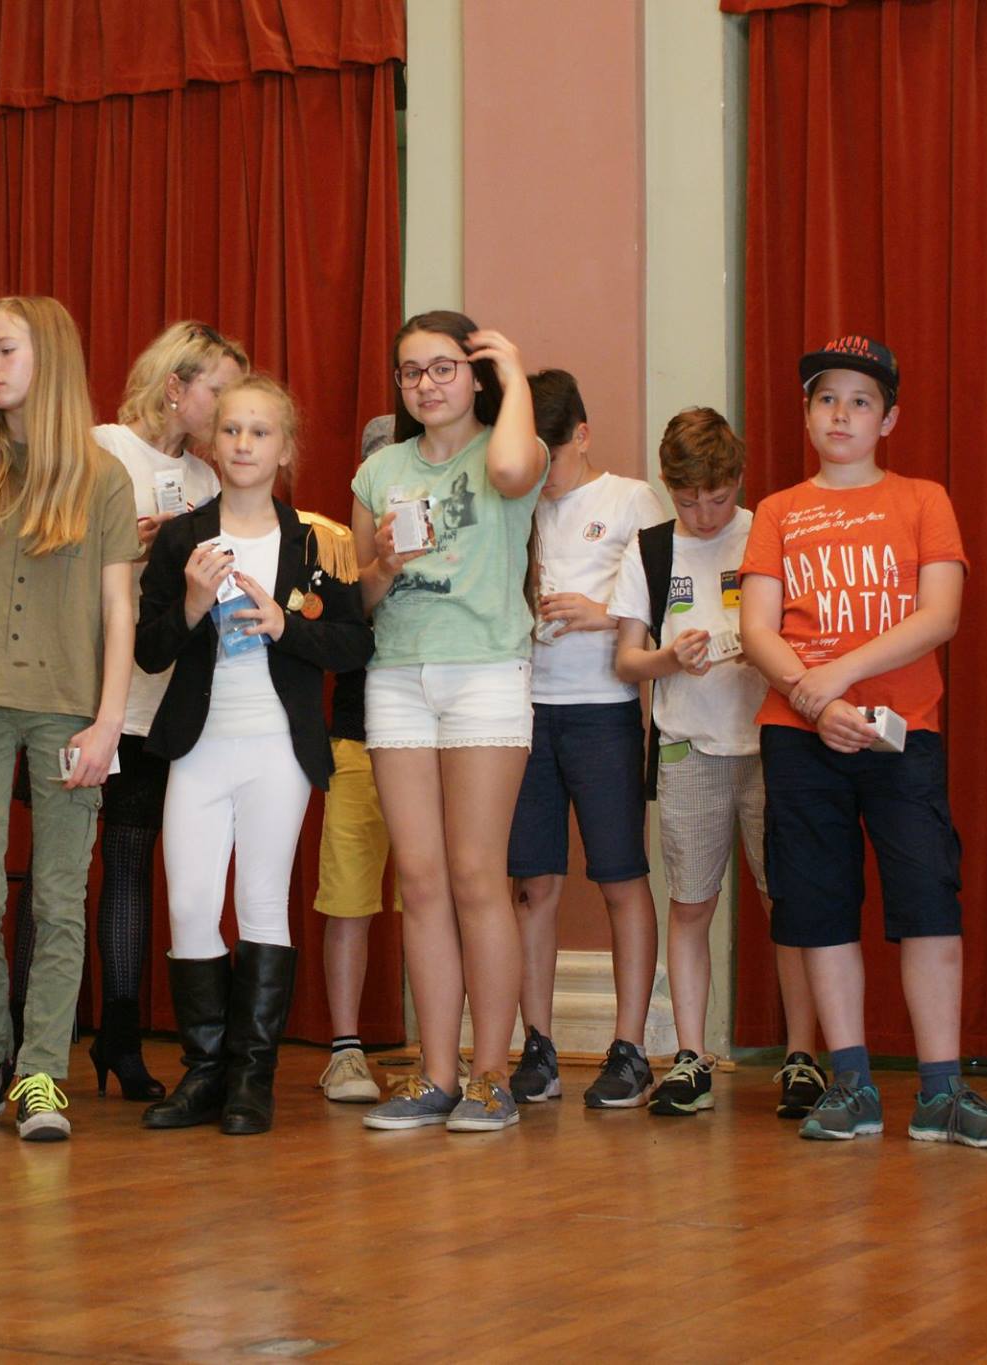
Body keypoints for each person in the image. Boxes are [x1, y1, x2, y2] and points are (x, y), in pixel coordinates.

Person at [739, 334, 987, 1148]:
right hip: (800, 738)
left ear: (888, 419)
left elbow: (940, 615)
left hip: (904, 736)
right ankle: (852, 1083)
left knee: (929, 898)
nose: (842, 413)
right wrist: (812, 699)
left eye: (861, 401)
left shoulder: (923, 499)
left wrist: (836, 676)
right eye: (827, 398)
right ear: (806, 414)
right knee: (819, 903)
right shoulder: (778, 511)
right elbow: (757, 627)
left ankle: (941, 1090)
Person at [0, 296, 136, 1142]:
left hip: (67, 711)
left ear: (50, 357)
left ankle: (42, 1073)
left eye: (4, 349)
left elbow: (119, 607)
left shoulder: (101, 477)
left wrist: (108, 720)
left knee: (59, 899)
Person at [6, 320, 248, 1101]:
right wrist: (122, 542)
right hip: (78, 694)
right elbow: (36, 549)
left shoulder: (209, 480)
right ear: (176, 386)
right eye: (219, 390)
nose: (228, 409)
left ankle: (119, 1034)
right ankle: (20, 1038)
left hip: (154, 700)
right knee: (56, 868)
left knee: (130, 866)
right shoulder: (99, 448)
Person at [133, 375, 372, 1135]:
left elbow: (353, 644)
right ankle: (204, 1071)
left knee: (261, 899)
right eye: (232, 429)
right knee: (190, 901)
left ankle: (250, 1079)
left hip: (277, 746)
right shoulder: (183, 538)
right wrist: (192, 604)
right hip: (198, 744)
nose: (243, 443)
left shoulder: (316, 541)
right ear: (213, 443)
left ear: (285, 449)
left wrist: (284, 626)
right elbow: (147, 649)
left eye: (260, 432)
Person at [350, 310, 546, 1133]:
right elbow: (362, 597)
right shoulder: (379, 471)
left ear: (473, 376)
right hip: (398, 674)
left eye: (443, 368)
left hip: (486, 673)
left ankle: (491, 1074)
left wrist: (514, 370)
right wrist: (384, 562)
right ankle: (435, 1073)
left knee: (475, 875)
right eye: (411, 371)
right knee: (420, 881)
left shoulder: (509, 447)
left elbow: (510, 469)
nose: (425, 384)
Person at [608, 406, 824, 1118]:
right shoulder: (651, 550)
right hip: (688, 747)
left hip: (772, 746)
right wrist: (669, 658)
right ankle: (691, 1056)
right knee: (692, 902)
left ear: (739, 480)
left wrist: (766, 656)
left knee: (787, 902)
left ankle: (801, 1057)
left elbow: (808, 636)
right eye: (688, 500)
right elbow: (627, 660)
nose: (704, 514)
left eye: (718, 498)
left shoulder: (769, 531)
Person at [506, 370, 671, 1108]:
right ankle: (536, 1045)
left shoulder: (631, 499)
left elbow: (673, 599)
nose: (543, 473)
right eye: (531, 459)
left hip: (604, 710)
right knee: (532, 883)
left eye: (554, 456)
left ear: (583, 434)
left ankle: (630, 1047)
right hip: (525, 711)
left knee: (620, 876)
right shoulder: (515, 503)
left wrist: (601, 613)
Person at [313, 414, 401, 1105]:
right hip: (356, 734)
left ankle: (451, 1051)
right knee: (347, 897)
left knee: (442, 895)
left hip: (435, 737)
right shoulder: (334, 551)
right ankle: (345, 1051)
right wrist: (382, 564)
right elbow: (340, 628)